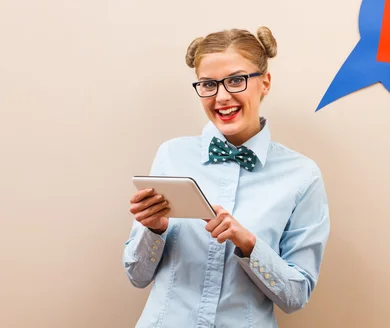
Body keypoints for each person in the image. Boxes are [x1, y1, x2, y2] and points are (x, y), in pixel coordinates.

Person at [122, 27, 330, 328]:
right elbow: (136, 276)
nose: (221, 97)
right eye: (208, 84)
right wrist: (153, 231)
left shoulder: (302, 175)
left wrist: (248, 243)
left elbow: (296, 296)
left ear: (265, 83)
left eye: (236, 80)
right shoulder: (171, 155)